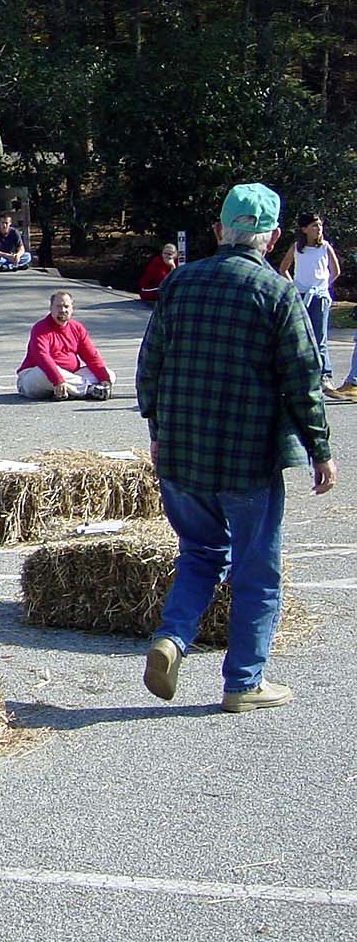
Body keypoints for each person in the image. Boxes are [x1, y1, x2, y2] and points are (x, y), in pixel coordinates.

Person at [137, 182, 336, 714]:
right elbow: (303, 377)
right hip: (248, 456)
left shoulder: (179, 281)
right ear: (270, 239)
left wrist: (156, 431)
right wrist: (320, 448)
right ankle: (244, 681)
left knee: (199, 552)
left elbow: (149, 365)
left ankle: (173, 637)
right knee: (256, 567)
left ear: (221, 231)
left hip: (181, 450)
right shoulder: (276, 292)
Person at [276, 213, 340, 384]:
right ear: (304, 229)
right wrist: (294, 288)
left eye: (319, 225)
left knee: (319, 336)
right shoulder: (297, 247)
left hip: (319, 296)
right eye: (314, 226)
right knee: (300, 334)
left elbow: (335, 271)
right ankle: (301, 372)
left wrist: (323, 286)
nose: (318, 229)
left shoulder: (325, 247)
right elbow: (283, 268)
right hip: (301, 295)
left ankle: (324, 374)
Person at [15, 291, 114, 400]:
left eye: (66, 306)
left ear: (72, 309)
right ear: (51, 308)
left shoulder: (77, 328)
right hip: (34, 378)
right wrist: (58, 379)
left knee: (109, 374)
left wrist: (104, 379)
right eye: (58, 306)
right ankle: (89, 389)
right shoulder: (40, 328)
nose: (62, 310)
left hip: (69, 376)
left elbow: (91, 356)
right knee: (43, 373)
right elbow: (42, 357)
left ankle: (69, 390)